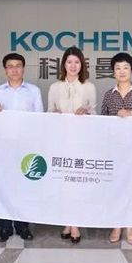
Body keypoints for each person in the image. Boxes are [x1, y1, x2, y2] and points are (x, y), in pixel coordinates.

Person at [0, 53, 44, 242]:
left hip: (26, 146)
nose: (14, 69)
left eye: (18, 65)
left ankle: (23, 226)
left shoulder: (33, 91)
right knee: (4, 186)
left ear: (23, 68)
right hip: (4, 147)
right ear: (5, 69)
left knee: (24, 187)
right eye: (10, 66)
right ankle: (5, 227)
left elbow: (39, 119)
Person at [100, 52, 132, 245]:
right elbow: (103, 121)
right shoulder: (109, 95)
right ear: (113, 71)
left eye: (125, 68)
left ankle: (130, 227)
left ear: (131, 70)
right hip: (115, 149)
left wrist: (131, 113)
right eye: (118, 68)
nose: (122, 71)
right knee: (115, 187)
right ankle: (116, 225)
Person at [47, 46, 96, 244]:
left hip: (81, 142)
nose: (73, 66)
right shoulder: (55, 87)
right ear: (64, 64)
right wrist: (54, 115)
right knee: (63, 183)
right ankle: (68, 221)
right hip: (61, 141)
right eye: (69, 62)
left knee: (77, 183)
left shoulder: (89, 87)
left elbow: (95, 114)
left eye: (77, 62)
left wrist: (86, 112)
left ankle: (74, 223)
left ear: (82, 64)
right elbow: (49, 112)